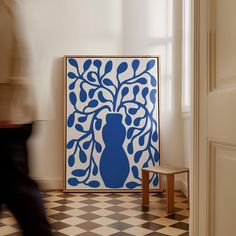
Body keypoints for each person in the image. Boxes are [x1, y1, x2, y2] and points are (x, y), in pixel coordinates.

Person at [0, 1, 53, 235]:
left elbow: (23, 53)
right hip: (13, 111)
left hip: (8, 114)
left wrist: (10, 109)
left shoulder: (9, 7)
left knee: (18, 189)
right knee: (16, 186)